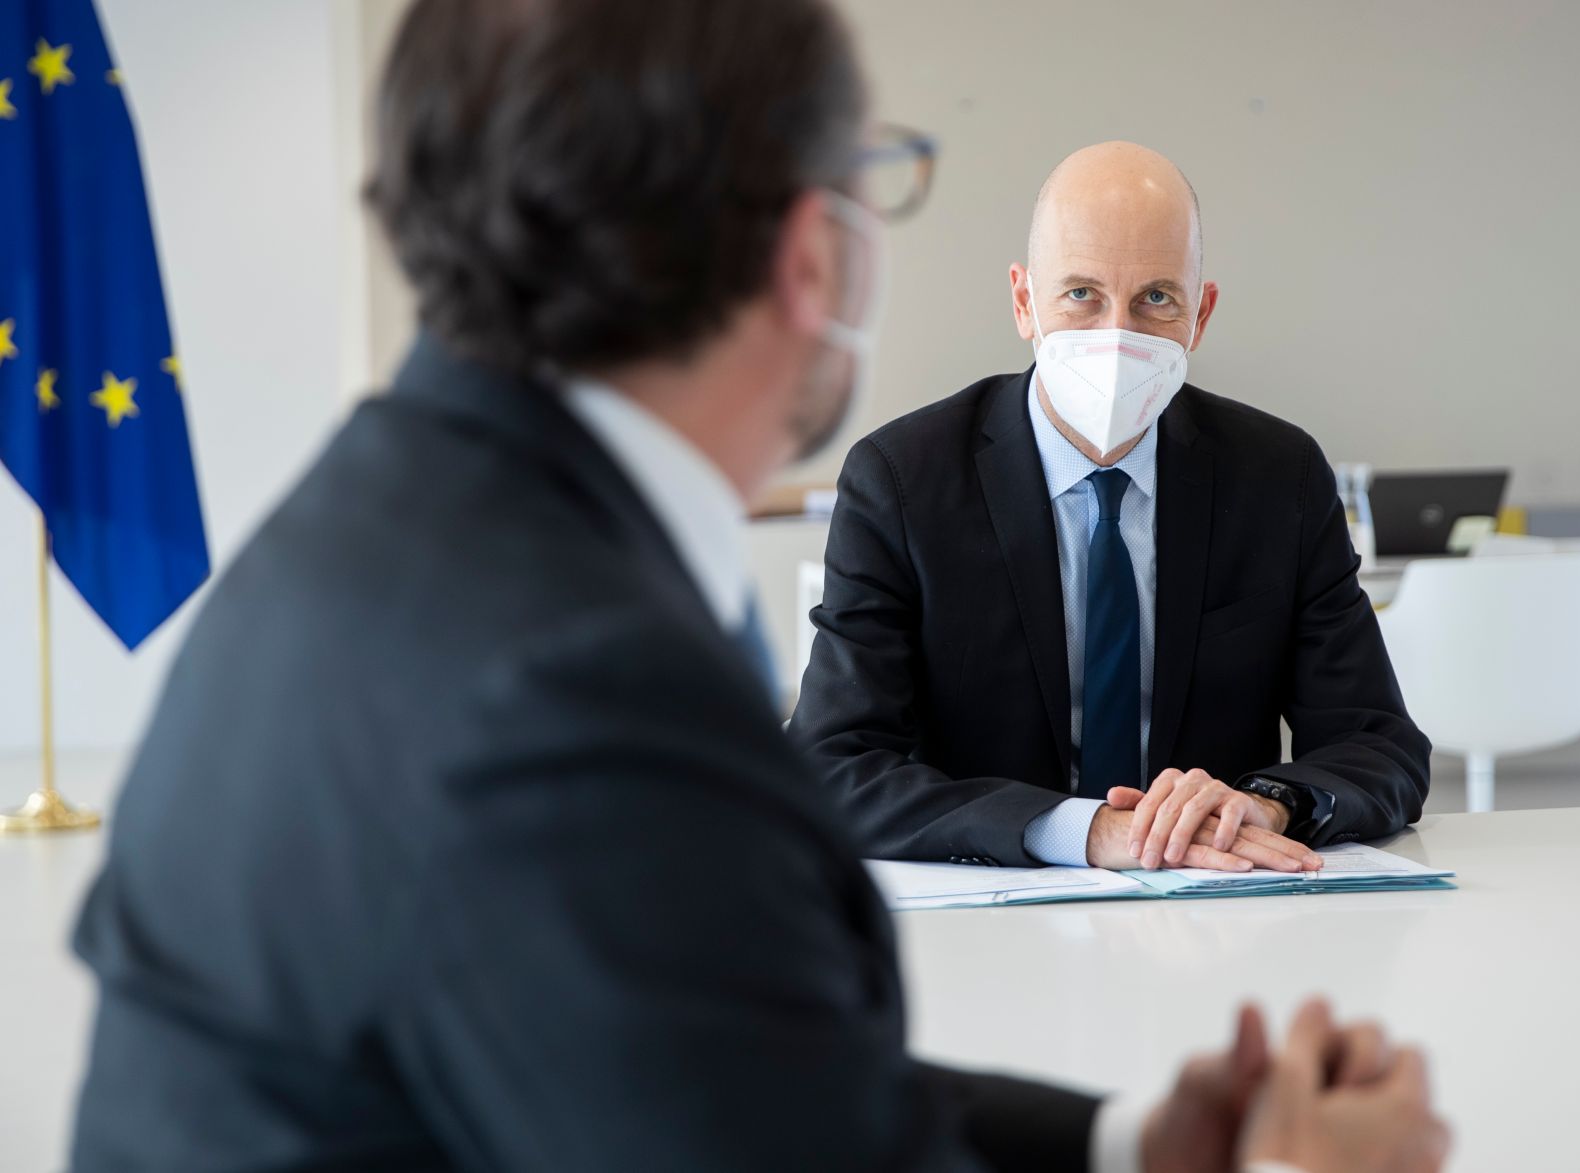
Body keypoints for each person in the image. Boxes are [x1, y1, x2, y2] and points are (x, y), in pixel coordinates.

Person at [68, 2, 1447, 1170]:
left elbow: (734, 1071)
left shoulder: (395, 538)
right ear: (812, 249)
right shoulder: (578, 675)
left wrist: (1132, 1139)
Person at [791, 141, 1430, 874]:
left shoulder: (1278, 477)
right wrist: (1082, 831)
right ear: (1024, 301)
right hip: (989, 919)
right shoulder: (901, 481)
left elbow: (1382, 745)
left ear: (1201, 315)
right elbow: (832, 765)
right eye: (1081, 294)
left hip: (1215, 910)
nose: (1116, 334)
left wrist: (1267, 802)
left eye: (1157, 297)